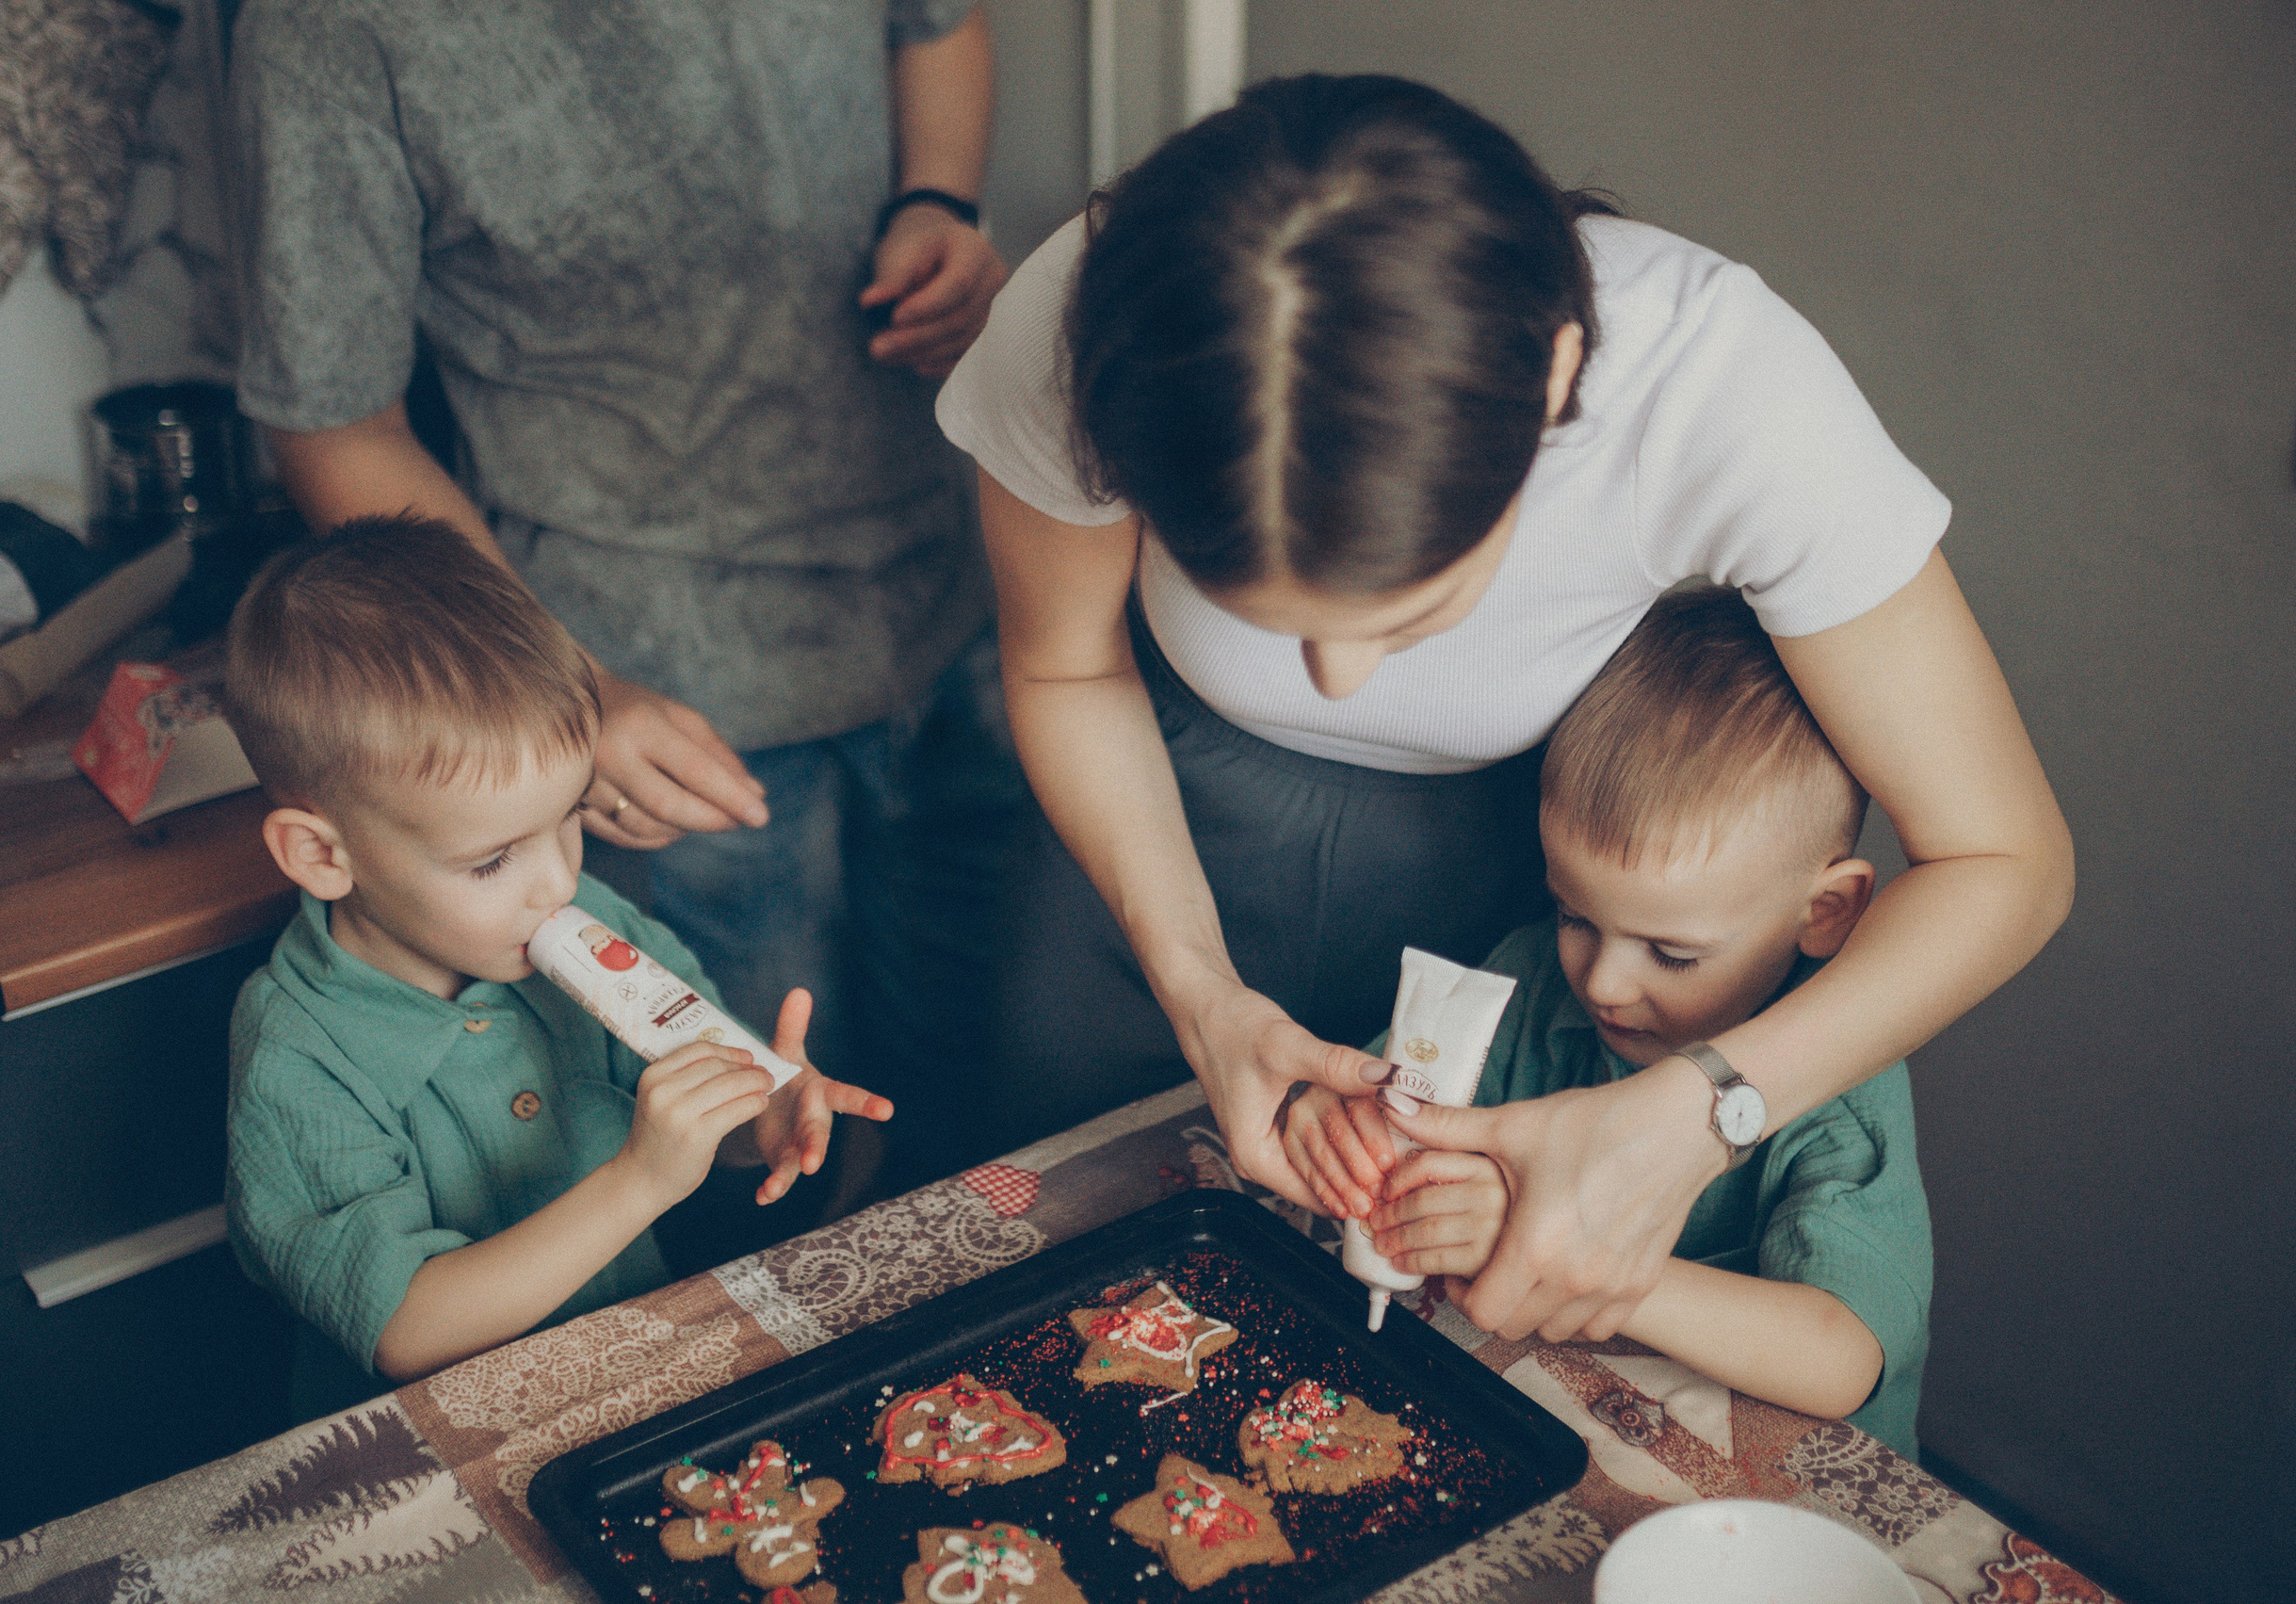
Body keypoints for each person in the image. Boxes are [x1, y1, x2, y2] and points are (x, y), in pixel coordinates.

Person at [936, 73, 2070, 1342]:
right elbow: (1067, 664)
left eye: (1415, 613)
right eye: (1266, 612)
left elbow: (2003, 859)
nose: (1337, 682)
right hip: (1143, 819)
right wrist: (1201, 991)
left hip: (1502, 879)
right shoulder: (1085, 326)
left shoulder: (1722, 393)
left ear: (1554, 379)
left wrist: (1705, 1107)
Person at [228, 0, 1021, 1205]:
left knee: (991, 1125)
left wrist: (938, 200)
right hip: (659, 708)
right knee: (765, 1186)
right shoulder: (328, 31)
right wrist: (573, 688)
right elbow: (330, 421)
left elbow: (936, 24)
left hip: (952, 604)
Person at [221, 516, 891, 1417]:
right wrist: (639, 1180)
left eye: (569, 815)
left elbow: (695, 1116)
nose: (558, 883)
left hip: (627, 1391)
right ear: (321, 855)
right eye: (493, 859)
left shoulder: (596, 922)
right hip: (432, 1456)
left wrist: (763, 1111)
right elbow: (404, 1327)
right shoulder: (296, 1054)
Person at [1285, 589, 1930, 1455]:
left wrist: (1584, 1257)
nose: (1604, 981)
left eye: (1672, 952)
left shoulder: (1841, 1089)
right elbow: (1370, 1092)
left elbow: (1840, 1356)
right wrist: (1334, 1127)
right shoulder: (1535, 979)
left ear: (1823, 910)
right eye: (1575, 915)